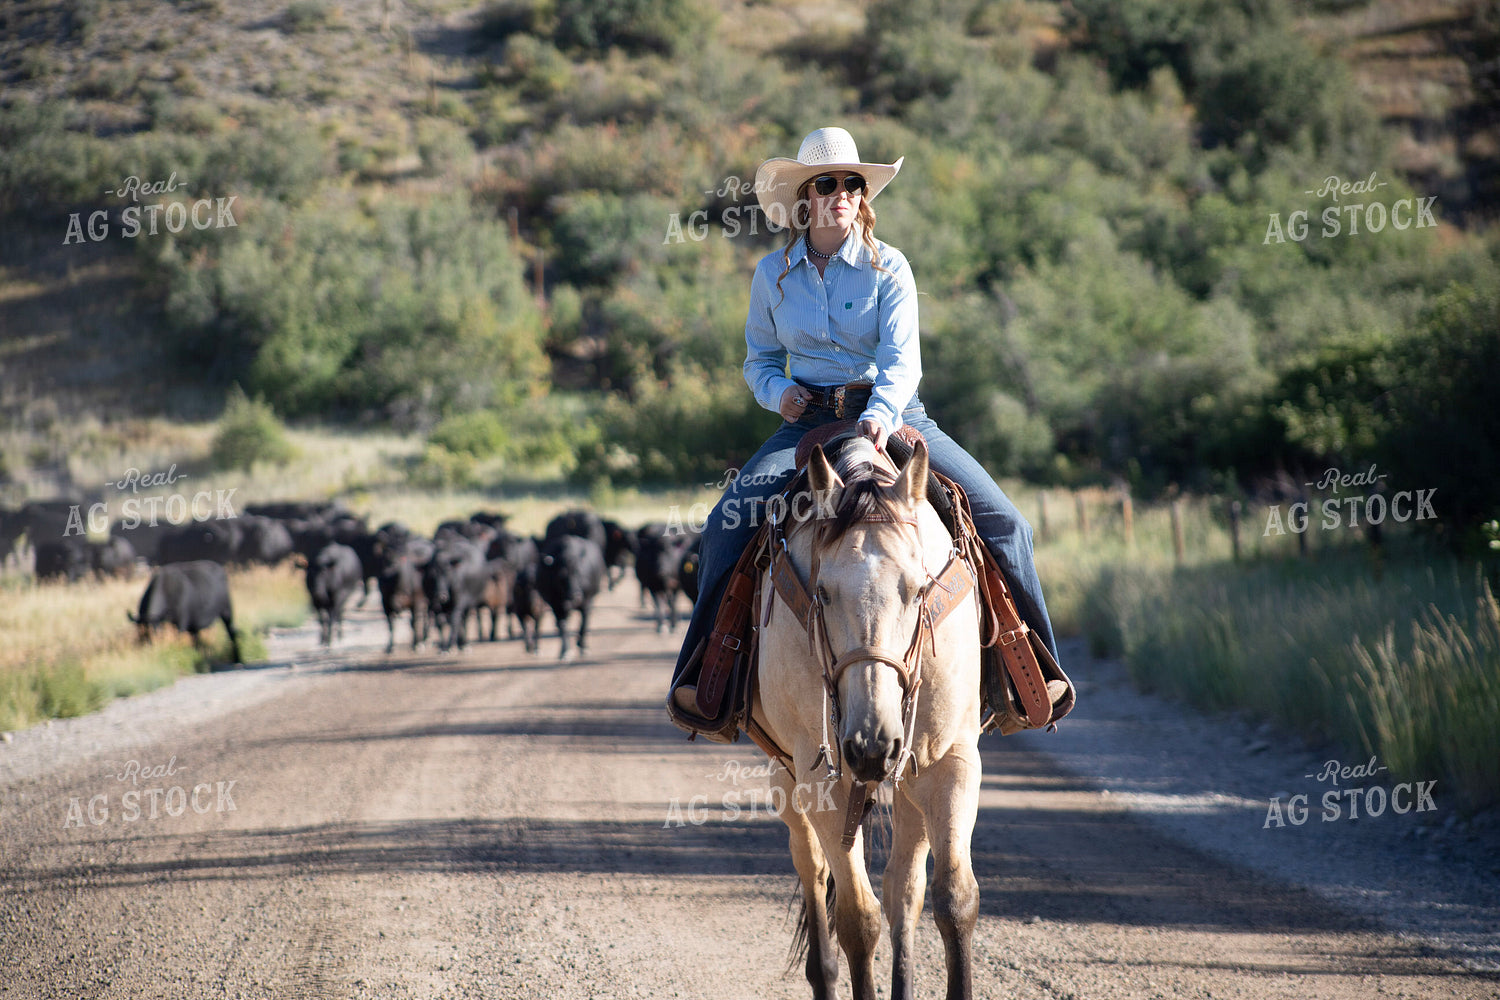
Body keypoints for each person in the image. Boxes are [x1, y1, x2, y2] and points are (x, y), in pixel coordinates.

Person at [669, 125, 1059, 716]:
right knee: (727, 523)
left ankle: (1030, 673)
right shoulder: (771, 275)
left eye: (853, 182)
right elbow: (759, 359)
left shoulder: (890, 267)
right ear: (805, 197)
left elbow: (904, 362)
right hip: (808, 425)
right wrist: (778, 394)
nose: (843, 192)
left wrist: (880, 414)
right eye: (828, 183)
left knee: (1007, 523)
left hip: (898, 415)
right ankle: (708, 678)